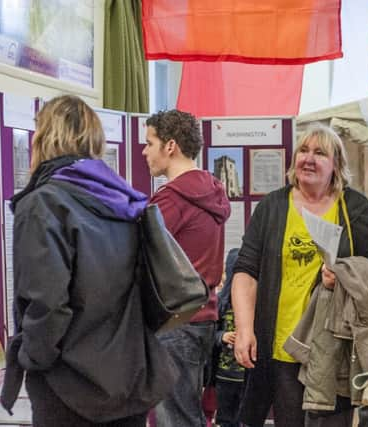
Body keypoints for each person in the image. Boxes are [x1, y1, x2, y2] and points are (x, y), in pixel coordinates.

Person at [1, 95, 177, 426]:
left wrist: (34, 360)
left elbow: (47, 303)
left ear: (43, 137)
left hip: (69, 387)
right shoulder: (125, 199)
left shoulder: (43, 205)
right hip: (130, 377)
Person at [231, 123, 368, 427]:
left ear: (337, 165)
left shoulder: (355, 208)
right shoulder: (273, 206)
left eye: (320, 153)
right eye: (303, 150)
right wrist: (244, 329)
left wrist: (345, 276)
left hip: (335, 350)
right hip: (281, 349)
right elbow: (246, 271)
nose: (309, 158)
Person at [141, 109, 231, 427]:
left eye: (149, 142)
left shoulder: (171, 200)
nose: (144, 151)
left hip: (173, 321)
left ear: (170, 146)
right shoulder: (211, 190)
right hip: (202, 317)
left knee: (174, 420)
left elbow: (139, 258)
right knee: (187, 412)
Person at [214, 248, 245, 427]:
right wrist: (222, 336)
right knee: (225, 419)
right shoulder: (221, 304)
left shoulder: (256, 305)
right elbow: (209, 334)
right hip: (224, 375)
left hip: (247, 377)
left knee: (245, 419)